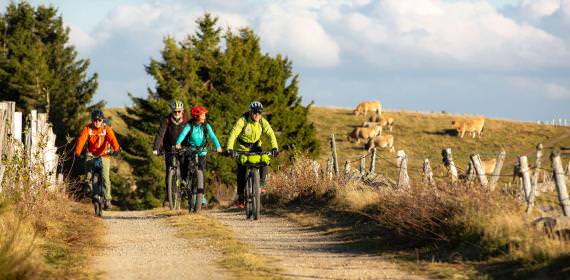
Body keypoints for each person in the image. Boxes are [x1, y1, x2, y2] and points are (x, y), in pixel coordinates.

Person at [226, 101, 279, 208]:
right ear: (250, 112)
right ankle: (241, 197)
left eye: (259, 112)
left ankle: (261, 185)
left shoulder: (262, 122)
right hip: (242, 148)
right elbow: (233, 134)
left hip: (256, 147)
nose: (257, 115)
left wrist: (275, 147)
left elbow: (270, 133)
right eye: (255, 112)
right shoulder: (243, 120)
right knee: (241, 171)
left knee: (265, 160)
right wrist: (230, 149)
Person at [74, 109, 120, 210]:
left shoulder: (106, 129)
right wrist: (77, 151)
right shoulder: (88, 128)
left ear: (102, 120)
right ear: (92, 120)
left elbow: (112, 139)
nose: (97, 122)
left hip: (104, 155)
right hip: (91, 154)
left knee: (105, 177)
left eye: (99, 120)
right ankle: (88, 186)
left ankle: (107, 200)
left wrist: (116, 149)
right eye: (95, 120)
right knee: (88, 171)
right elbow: (81, 140)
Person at [175, 105, 222, 192]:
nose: (205, 117)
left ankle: (202, 194)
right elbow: (183, 134)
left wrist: (218, 146)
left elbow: (212, 136)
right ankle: (184, 180)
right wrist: (178, 143)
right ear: (197, 116)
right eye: (203, 115)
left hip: (202, 151)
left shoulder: (206, 125)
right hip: (191, 150)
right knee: (185, 163)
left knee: (201, 173)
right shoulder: (189, 125)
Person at [152, 100, 189, 205]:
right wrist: (156, 148)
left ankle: (184, 184)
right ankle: (168, 198)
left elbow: (190, 134)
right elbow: (160, 134)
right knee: (169, 172)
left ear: (182, 111)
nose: (177, 114)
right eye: (175, 111)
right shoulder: (166, 120)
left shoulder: (186, 120)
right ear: (172, 111)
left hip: (183, 147)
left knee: (184, 165)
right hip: (169, 148)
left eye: (179, 111)